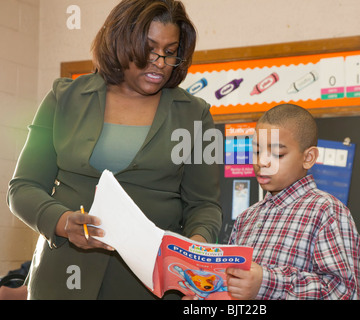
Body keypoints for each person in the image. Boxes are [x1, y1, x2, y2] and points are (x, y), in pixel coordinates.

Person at [7, 0, 222, 300]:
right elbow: (23, 188)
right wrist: (63, 221)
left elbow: (205, 206)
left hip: (151, 286)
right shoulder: (65, 98)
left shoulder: (195, 115)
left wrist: (193, 254)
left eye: (170, 52)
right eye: (149, 49)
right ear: (121, 40)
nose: (160, 62)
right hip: (62, 280)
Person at [226, 104, 360, 300]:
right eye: (257, 151)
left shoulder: (326, 211)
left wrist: (265, 283)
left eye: (277, 154)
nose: (262, 162)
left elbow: (343, 293)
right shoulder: (246, 218)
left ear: (308, 158)